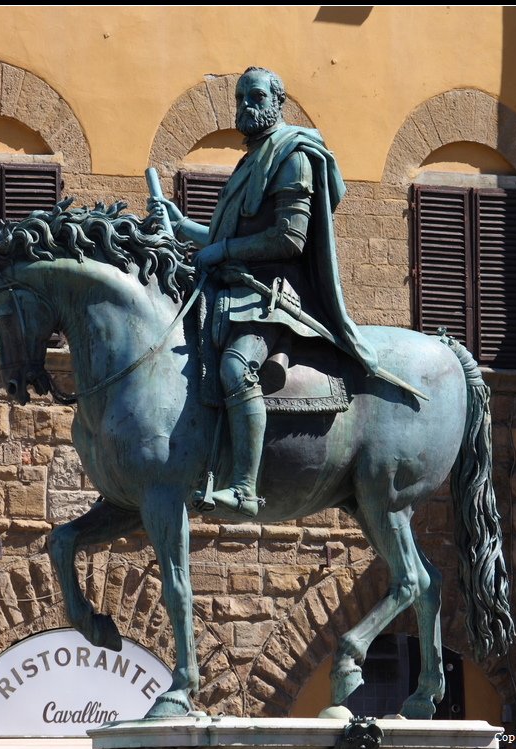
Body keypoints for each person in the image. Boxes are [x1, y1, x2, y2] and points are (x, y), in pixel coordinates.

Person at [148, 66, 378, 517]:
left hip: (272, 293)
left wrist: (221, 251)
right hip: (232, 289)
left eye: (254, 97)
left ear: (278, 101)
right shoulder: (250, 160)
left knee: (236, 369)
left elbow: (290, 238)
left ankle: (245, 488)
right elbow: (222, 236)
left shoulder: (292, 154)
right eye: (239, 98)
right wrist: (184, 227)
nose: (244, 107)